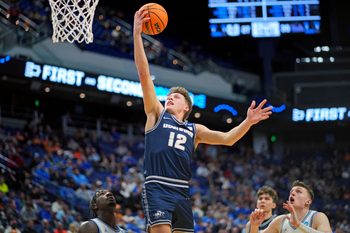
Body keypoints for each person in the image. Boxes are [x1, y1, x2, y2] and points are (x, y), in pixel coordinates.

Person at [133, 7, 273, 233]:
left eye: (175, 97)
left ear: (186, 106)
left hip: (181, 191)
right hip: (157, 187)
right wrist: (137, 35)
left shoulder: (194, 129)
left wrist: (248, 121)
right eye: (168, 96)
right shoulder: (156, 114)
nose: (170, 98)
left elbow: (228, 139)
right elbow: (143, 73)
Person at [249, 180, 332, 233]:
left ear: (308, 201)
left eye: (298, 191)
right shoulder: (280, 220)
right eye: (291, 192)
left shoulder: (317, 217)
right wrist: (254, 226)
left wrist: (299, 225)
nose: (292, 193)